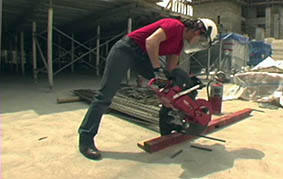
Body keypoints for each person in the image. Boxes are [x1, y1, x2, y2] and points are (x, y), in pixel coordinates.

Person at [78, 17, 218, 160]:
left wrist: (174, 89)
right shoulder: (175, 25)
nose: (198, 43)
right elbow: (151, 42)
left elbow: (172, 69)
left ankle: (168, 127)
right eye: (201, 40)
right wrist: (157, 72)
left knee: (175, 82)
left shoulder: (179, 45)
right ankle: (86, 140)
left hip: (142, 56)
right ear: (197, 31)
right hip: (126, 49)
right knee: (105, 96)